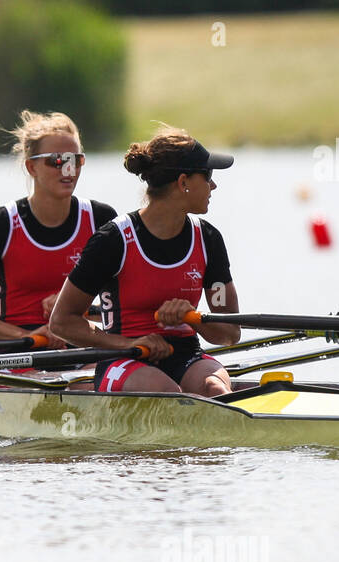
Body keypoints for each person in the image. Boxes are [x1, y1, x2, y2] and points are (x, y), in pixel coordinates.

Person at [48, 126, 241, 396]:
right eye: (207, 176)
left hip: (185, 355)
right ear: (183, 182)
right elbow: (61, 322)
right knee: (167, 394)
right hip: (124, 357)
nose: (213, 185)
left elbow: (229, 333)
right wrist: (129, 342)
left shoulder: (208, 239)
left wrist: (193, 318)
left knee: (215, 389)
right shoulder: (113, 240)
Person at [0, 110, 117, 342]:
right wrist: (27, 336)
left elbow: (122, 304)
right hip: (19, 354)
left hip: (81, 346)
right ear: (31, 167)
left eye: (75, 160)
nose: (69, 170)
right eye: (57, 160)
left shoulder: (101, 220)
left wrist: (75, 310)